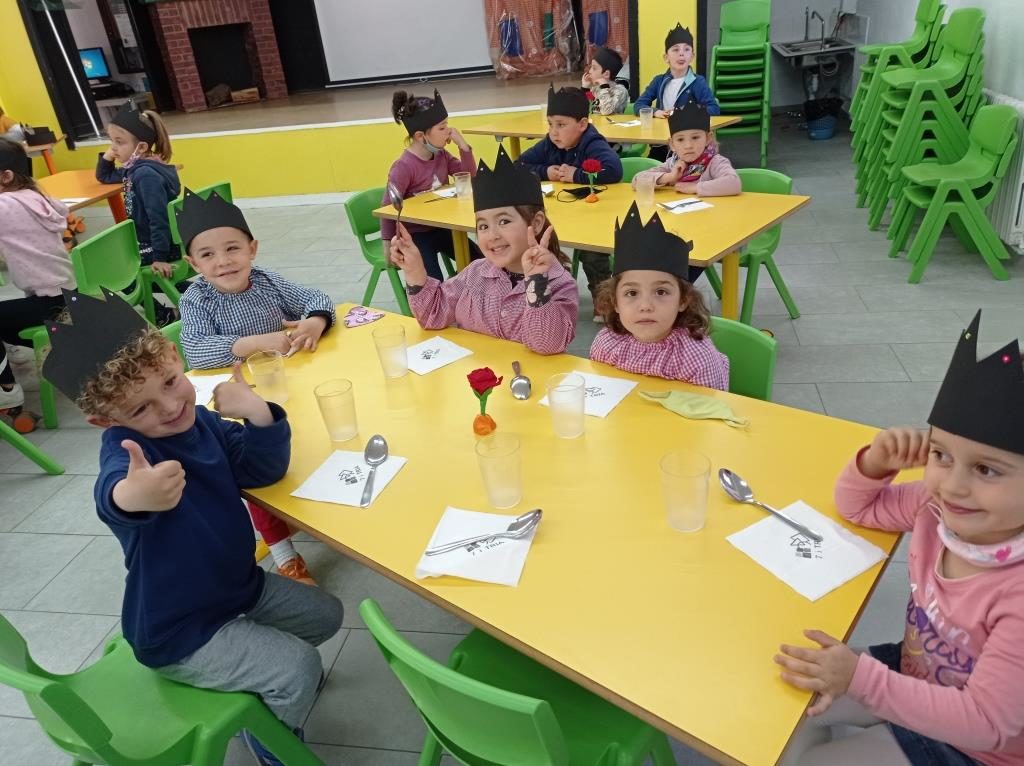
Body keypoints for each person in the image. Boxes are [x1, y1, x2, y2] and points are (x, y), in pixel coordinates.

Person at [43, 288, 344, 766]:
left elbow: (260, 470)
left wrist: (258, 413)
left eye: (169, 382)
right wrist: (133, 496)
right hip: (177, 631)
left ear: (173, 356)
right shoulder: (128, 455)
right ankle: (271, 742)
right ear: (105, 421)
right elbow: (112, 496)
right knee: (297, 667)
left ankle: (260, 677)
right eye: (139, 409)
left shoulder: (200, 421)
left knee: (326, 614)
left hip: (235, 588)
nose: (167, 407)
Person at [776, 311, 1024, 766]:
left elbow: (989, 722)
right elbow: (859, 508)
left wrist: (861, 680)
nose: (953, 486)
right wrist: (875, 463)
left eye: (987, 469)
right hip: (917, 668)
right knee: (785, 700)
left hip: (975, 748)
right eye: (941, 455)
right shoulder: (936, 509)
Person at [177, 187, 335, 585]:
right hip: (237, 401)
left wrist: (315, 320)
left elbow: (315, 296)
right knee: (257, 464)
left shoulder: (265, 281)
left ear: (252, 249)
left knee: (314, 440)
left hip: (288, 385)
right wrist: (252, 344)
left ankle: (314, 505)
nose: (223, 261)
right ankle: (284, 554)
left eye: (232, 248)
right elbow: (194, 349)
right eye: (207, 255)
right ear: (192, 262)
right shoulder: (197, 299)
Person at [389, 146, 577, 355]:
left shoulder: (560, 283)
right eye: (483, 226)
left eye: (504, 221)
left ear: (537, 222)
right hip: (477, 374)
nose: (492, 235)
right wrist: (414, 270)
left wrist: (537, 283)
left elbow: (547, 345)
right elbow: (432, 316)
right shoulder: (475, 273)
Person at [591, 202, 728, 389]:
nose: (646, 306)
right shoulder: (606, 344)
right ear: (615, 302)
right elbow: (602, 394)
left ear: (683, 300)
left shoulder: (696, 359)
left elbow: (707, 406)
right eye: (632, 293)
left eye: (661, 292)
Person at [519, 84, 622, 322]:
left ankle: (602, 299)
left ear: (582, 124)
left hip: (595, 215)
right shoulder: (550, 143)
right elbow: (519, 165)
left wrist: (577, 175)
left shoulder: (592, 142)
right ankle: (553, 290)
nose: (554, 132)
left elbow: (614, 170)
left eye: (561, 125)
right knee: (541, 239)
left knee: (592, 251)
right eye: (550, 124)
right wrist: (545, 171)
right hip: (562, 213)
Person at [0, 138, 74, 415]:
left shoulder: (5, 205)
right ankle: (14, 349)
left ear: (6, 176)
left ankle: (7, 390)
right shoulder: (35, 197)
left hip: (49, 306)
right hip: (67, 296)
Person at [632, 101, 740, 283]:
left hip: (711, 233)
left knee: (681, 268)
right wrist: (669, 177)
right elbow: (637, 180)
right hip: (679, 231)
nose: (688, 145)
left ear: (708, 138)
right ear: (672, 144)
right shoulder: (673, 163)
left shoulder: (715, 161)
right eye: (680, 140)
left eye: (695, 138)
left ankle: (677, 290)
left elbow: (733, 183)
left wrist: (695, 188)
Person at [381, 89, 480, 282]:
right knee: (432, 281)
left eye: (447, 125)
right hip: (416, 234)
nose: (449, 131)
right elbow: (387, 207)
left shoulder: (442, 155)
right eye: (442, 128)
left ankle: (465, 291)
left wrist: (463, 147)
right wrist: (387, 244)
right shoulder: (403, 167)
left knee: (480, 260)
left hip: (442, 227)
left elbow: (469, 178)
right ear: (420, 136)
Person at [95, 103, 181, 324]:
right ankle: (196, 298)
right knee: (122, 266)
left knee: (118, 273)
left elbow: (158, 218)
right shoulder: (135, 168)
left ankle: (164, 316)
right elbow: (105, 177)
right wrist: (108, 156)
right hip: (150, 242)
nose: (114, 148)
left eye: (119, 142)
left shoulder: (145, 175)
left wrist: (160, 257)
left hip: (160, 246)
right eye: (111, 141)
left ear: (141, 147)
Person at [634, 23, 721, 161]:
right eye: (675, 49)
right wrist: (656, 112)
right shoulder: (659, 81)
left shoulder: (697, 82)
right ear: (666, 57)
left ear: (692, 56)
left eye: (686, 49)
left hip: (688, 146)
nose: (681, 53)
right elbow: (639, 105)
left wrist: (684, 112)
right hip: (662, 144)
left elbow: (714, 109)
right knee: (652, 167)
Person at [581, 47, 629, 116]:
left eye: (594, 68)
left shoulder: (620, 91)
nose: (590, 71)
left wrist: (604, 87)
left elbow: (606, 111)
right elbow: (587, 107)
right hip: (596, 122)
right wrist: (585, 88)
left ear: (606, 74)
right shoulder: (596, 88)